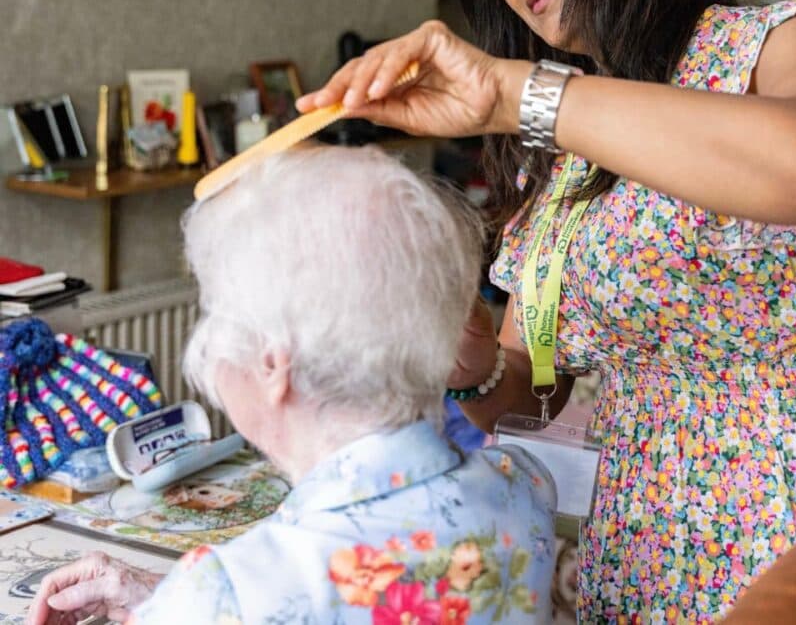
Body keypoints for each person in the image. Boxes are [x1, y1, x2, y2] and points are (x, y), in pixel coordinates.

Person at [296, 0, 796, 622]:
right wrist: (466, 362)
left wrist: (517, 94)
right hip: (641, 538)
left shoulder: (777, 41)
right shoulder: (565, 150)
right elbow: (536, 379)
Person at [28, 145, 557, 624]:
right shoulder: (523, 489)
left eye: (217, 309)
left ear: (272, 364)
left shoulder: (223, 597)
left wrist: (191, 604)